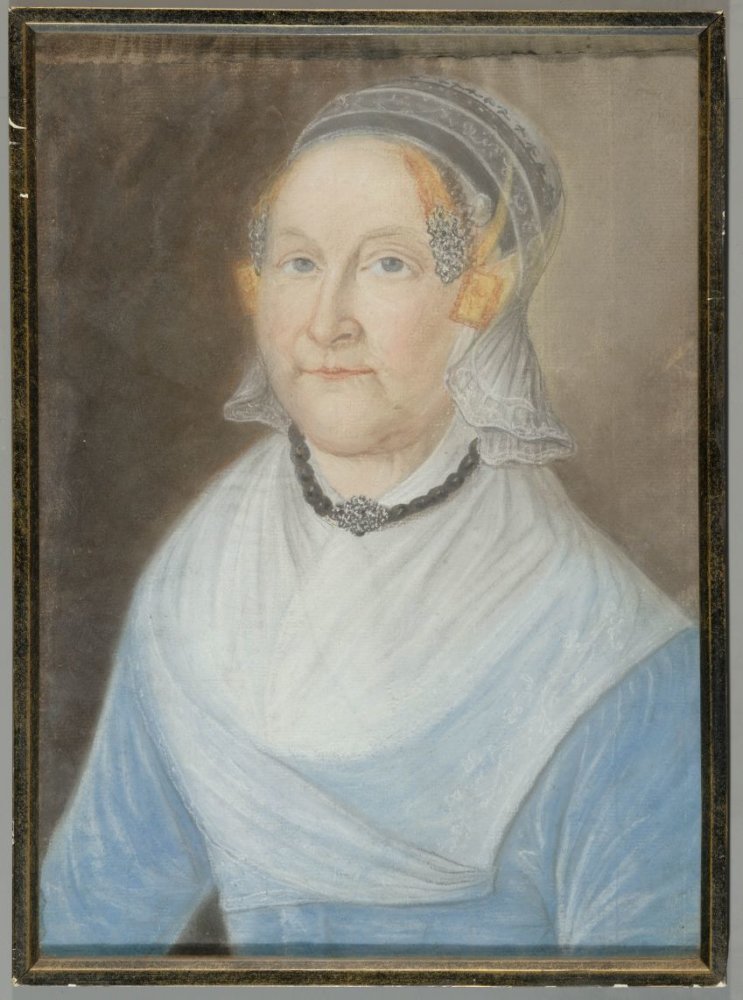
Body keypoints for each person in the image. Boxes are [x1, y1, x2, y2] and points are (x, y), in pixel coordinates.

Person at [41, 77, 700, 956]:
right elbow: (88, 918)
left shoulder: (612, 656)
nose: (326, 323)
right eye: (298, 262)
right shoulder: (204, 568)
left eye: (389, 263)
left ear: (482, 296)